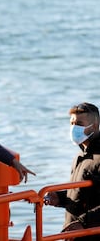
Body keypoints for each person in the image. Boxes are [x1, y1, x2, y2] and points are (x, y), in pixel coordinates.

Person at [44, 102, 100, 241]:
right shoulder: (80, 156)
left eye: (79, 123)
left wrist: (84, 222)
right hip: (74, 235)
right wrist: (60, 198)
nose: (74, 128)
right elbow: (83, 194)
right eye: (72, 123)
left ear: (94, 125)